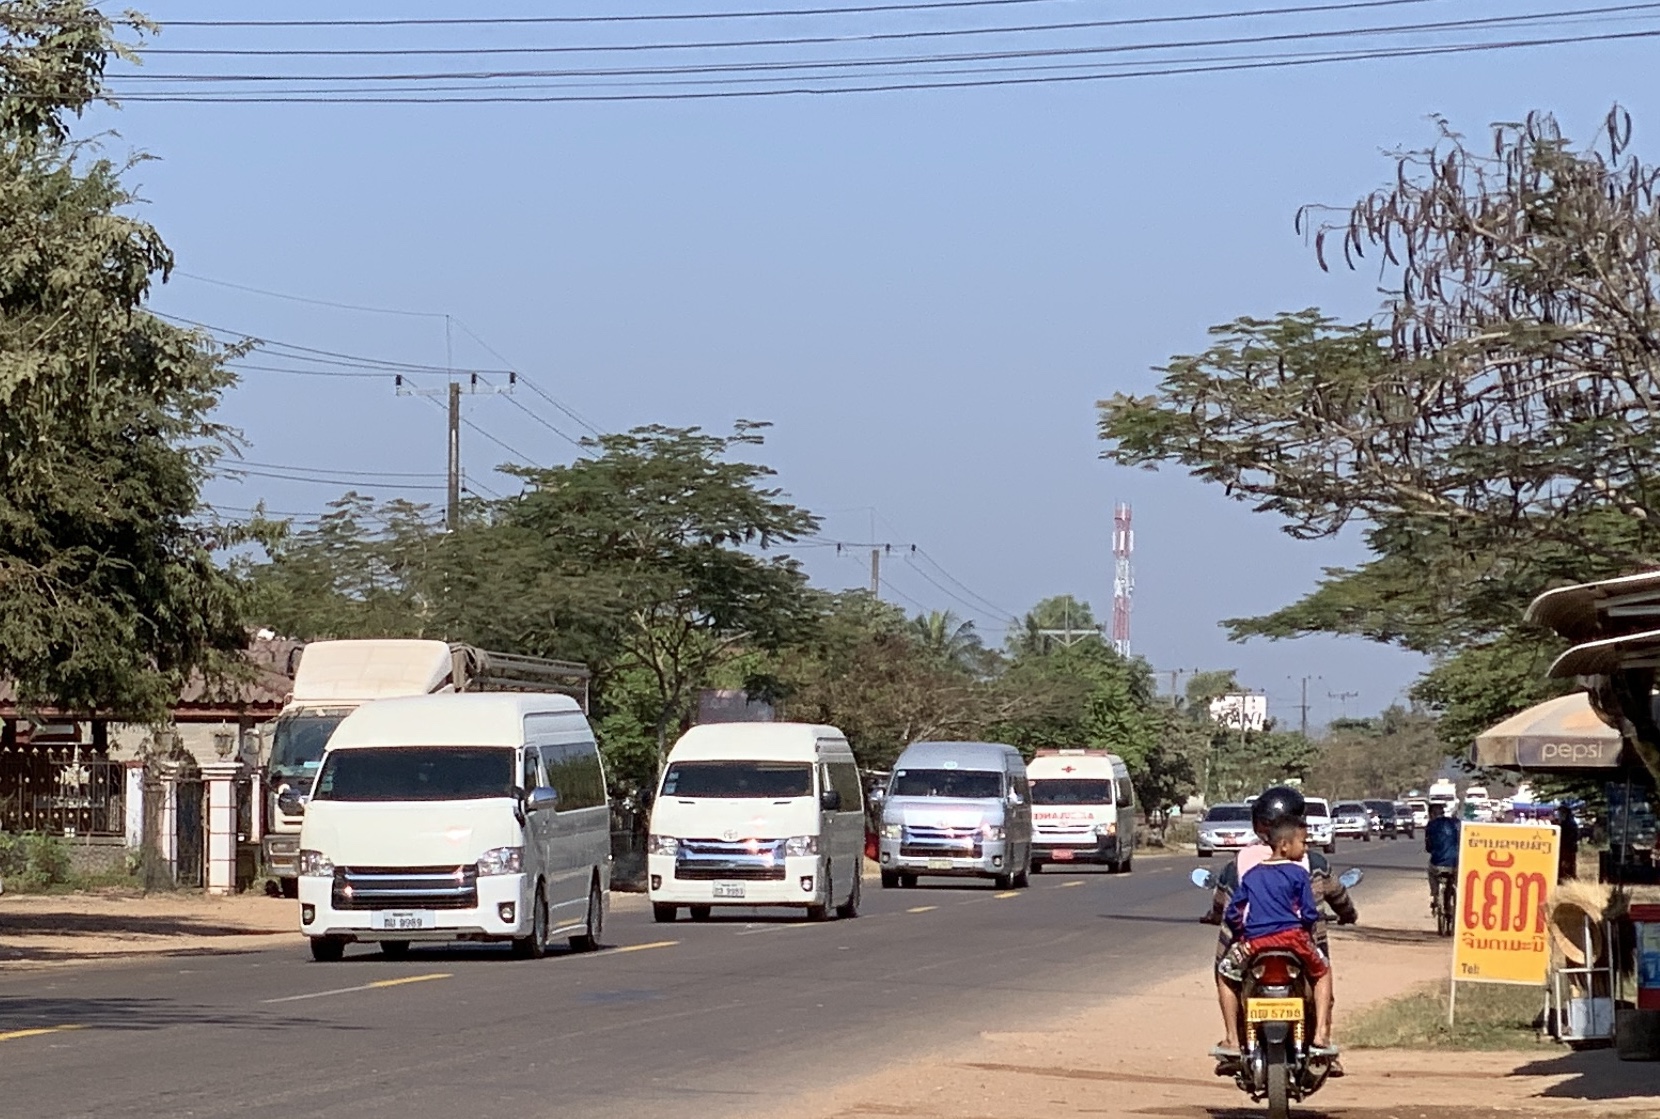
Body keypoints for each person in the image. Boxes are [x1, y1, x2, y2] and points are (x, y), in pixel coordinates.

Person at [1206, 786, 1352, 1065]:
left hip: (1252, 944)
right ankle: (1322, 1036)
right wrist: (1340, 915)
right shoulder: (1309, 865)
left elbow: (1227, 904)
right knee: (1323, 974)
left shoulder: (1243, 865)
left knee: (1224, 973)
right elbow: (1328, 901)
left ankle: (1232, 1040)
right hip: (1297, 942)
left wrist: (1234, 928)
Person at [1425, 801, 1460, 911]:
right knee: (1455, 877)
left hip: (1437, 863)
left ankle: (1435, 896)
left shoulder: (1431, 825)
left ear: (1432, 814)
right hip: (1455, 863)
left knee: (1431, 872)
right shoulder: (1454, 823)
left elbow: (1428, 847)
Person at [1557, 804, 1580, 881]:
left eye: (1560, 812)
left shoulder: (1569, 823)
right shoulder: (1566, 822)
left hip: (1569, 847)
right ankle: (1568, 876)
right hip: (1568, 847)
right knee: (1568, 863)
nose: (1559, 814)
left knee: (1568, 863)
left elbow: (1571, 836)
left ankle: (1568, 877)